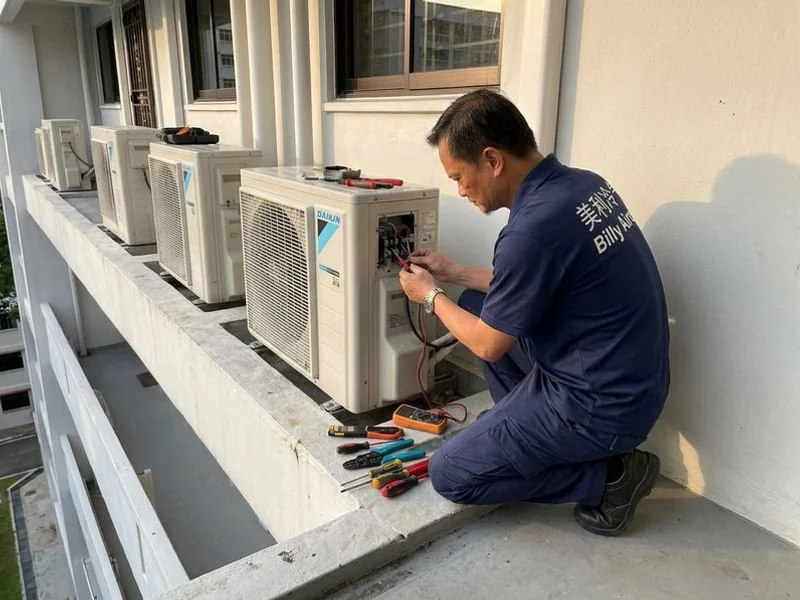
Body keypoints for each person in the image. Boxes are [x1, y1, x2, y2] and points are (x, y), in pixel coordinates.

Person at [398, 89, 670, 536]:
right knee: (475, 304)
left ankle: (613, 478)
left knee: (450, 473)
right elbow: (528, 283)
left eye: (460, 177)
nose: (461, 190)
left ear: (492, 159)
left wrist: (430, 296)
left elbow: (488, 344)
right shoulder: (581, 185)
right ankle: (525, 433)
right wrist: (452, 273)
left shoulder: (532, 229)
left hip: (599, 405)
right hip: (627, 382)